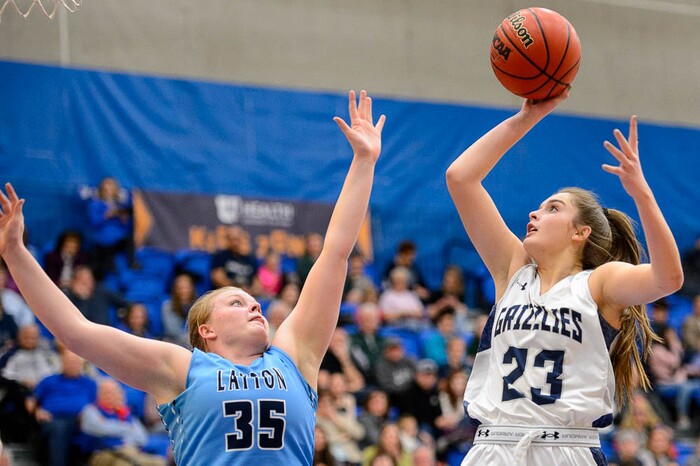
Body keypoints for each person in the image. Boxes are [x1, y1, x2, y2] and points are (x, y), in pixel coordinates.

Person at [0, 89, 385, 465]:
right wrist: (16, 254)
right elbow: (76, 332)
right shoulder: (181, 369)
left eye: (253, 301)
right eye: (236, 302)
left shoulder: (295, 356)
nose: (255, 305)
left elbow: (335, 254)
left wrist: (364, 162)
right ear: (206, 330)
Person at [445, 90, 683, 466]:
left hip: (565, 449)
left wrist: (643, 196)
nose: (535, 213)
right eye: (538, 207)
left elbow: (668, 278)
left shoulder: (599, 284)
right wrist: (526, 117)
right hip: (493, 447)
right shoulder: (513, 268)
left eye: (552, 208)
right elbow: (460, 178)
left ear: (580, 233)